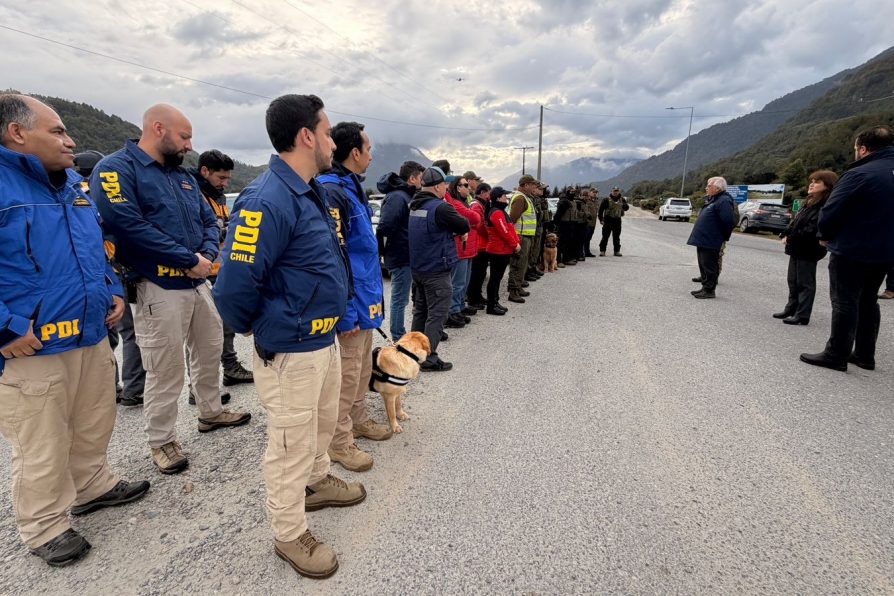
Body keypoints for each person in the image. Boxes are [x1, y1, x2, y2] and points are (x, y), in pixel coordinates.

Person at [213, 94, 364, 579]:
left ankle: (317, 483)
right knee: (288, 444)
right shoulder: (266, 198)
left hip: (324, 340)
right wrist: (268, 328)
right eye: (326, 132)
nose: (331, 141)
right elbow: (233, 290)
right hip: (291, 348)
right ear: (306, 136)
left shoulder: (309, 188)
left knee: (318, 429)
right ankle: (288, 532)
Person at [0, 94, 149, 567]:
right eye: (59, 132)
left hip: (88, 334)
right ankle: (44, 525)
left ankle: (93, 485)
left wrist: (114, 288)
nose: (71, 141)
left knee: (93, 420)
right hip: (32, 346)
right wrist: (5, 328)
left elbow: (95, 247)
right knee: (41, 438)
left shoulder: (71, 187)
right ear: (17, 133)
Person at [92, 104, 251, 475]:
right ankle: (162, 441)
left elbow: (209, 219)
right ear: (157, 128)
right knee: (165, 369)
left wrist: (207, 254)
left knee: (210, 350)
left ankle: (210, 412)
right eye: (184, 136)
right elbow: (126, 224)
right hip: (156, 285)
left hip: (197, 282)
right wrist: (186, 258)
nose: (190, 145)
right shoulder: (116, 169)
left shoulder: (181, 177)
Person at [317, 121, 391, 473]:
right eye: (369, 148)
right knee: (345, 377)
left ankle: (358, 420)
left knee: (361, 370)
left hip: (365, 300)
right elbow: (337, 256)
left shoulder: (351, 186)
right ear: (355, 152)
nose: (372, 155)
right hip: (352, 304)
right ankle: (339, 442)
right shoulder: (333, 190)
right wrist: (346, 312)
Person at [801, 125, 894, 372]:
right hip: (886, 251)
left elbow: (833, 209)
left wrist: (824, 235)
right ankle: (865, 354)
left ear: (863, 149)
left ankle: (836, 354)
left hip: (854, 247)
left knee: (845, 301)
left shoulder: (859, 173)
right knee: (868, 300)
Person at [75, 149, 147, 407]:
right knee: (130, 334)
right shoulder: (95, 196)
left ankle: (109, 388)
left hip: (94, 280)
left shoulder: (73, 193)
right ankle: (133, 389)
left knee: (106, 338)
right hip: (113, 277)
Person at [191, 149, 253, 390]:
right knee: (201, 337)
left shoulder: (217, 197)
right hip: (202, 273)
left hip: (220, 270)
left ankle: (230, 368)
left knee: (225, 327)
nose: (225, 184)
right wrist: (226, 232)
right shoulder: (193, 195)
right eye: (221, 178)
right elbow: (202, 232)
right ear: (204, 171)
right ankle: (198, 387)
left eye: (228, 179)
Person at [408, 166, 470, 371]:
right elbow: (464, 225)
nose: (447, 188)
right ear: (437, 186)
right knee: (437, 314)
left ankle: (412, 353)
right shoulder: (440, 207)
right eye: (445, 184)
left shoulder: (415, 205)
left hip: (419, 268)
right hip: (436, 269)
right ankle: (428, 357)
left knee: (421, 312)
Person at [773, 170, 838, 325]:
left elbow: (813, 228)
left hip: (809, 248)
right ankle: (791, 308)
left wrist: (792, 237)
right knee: (793, 280)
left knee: (805, 282)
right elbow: (796, 222)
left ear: (827, 186)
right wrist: (785, 233)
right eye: (812, 181)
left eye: (817, 182)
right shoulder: (808, 201)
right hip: (797, 247)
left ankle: (803, 314)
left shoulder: (825, 204)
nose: (812, 184)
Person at [377, 161, 425, 341]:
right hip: (401, 255)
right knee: (399, 299)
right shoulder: (398, 197)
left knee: (402, 298)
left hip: (406, 255)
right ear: (412, 178)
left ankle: (399, 334)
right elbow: (385, 227)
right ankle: (398, 337)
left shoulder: (405, 196)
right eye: (420, 177)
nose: (422, 181)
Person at [687, 177, 736, 299]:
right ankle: (705, 287)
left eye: (709, 186)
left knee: (710, 265)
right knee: (703, 263)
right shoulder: (714, 199)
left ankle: (709, 290)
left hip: (711, 239)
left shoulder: (723, 201)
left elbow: (729, 221)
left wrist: (720, 236)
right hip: (704, 239)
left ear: (717, 188)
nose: (706, 188)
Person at [445, 176, 481, 328]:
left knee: (464, 282)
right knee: (458, 282)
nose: (469, 187)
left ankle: (459, 307)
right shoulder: (456, 204)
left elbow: (476, 221)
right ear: (457, 187)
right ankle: (453, 310)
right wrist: (472, 217)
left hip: (468, 248)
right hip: (461, 248)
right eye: (465, 185)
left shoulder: (463, 203)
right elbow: (474, 217)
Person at [484, 187, 520, 315]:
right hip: (497, 250)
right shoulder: (497, 213)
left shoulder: (500, 211)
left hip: (503, 250)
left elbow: (510, 229)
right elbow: (504, 232)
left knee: (497, 278)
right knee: (495, 278)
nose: (507, 198)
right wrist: (514, 244)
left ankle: (495, 302)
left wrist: (516, 243)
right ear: (498, 197)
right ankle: (491, 305)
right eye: (505, 196)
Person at [507, 175, 539, 303]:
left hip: (525, 235)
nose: (534, 187)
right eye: (532, 184)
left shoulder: (525, 197)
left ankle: (518, 287)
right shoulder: (520, 198)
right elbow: (512, 218)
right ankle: (513, 291)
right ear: (526, 185)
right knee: (517, 264)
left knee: (522, 263)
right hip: (521, 236)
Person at [466, 183, 492, 308]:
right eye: (488, 192)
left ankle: (478, 295)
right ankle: (473, 298)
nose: (489, 195)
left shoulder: (479, 204)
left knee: (480, 273)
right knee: (477, 273)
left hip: (480, 243)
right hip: (479, 243)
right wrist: (490, 235)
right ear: (482, 192)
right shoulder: (477, 205)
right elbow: (480, 225)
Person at [598, 186, 629, 257]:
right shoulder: (606, 200)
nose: (615, 192)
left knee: (616, 237)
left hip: (617, 221)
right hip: (608, 220)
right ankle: (602, 251)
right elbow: (600, 211)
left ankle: (616, 251)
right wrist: (601, 220)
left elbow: (626, 208)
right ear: (611, 191)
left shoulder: (622, 199)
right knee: (605, 236)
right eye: (614, 190)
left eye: (617, 190)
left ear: (619, 191)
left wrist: (624, 205)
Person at [553, 189, 577, 267]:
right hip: (563, 224)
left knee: (568, 242)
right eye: (571, 192)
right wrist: (557, 223)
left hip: (570, 224)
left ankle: (566, 259)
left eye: (574, 192)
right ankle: (558, 260)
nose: (573, 194)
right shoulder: (564, 202)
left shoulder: (572, 201)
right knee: (561, 243)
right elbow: (558, 215)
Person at [584, 188, 599, 257]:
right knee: (585, 237)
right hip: (587, 222)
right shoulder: (586, 200)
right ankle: (585, 252)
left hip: (593, 223)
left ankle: (587, 252)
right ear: (590, 193)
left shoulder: (596, 201)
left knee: (589, 237)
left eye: (596, 192)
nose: (595, 193)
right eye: (593, 192)